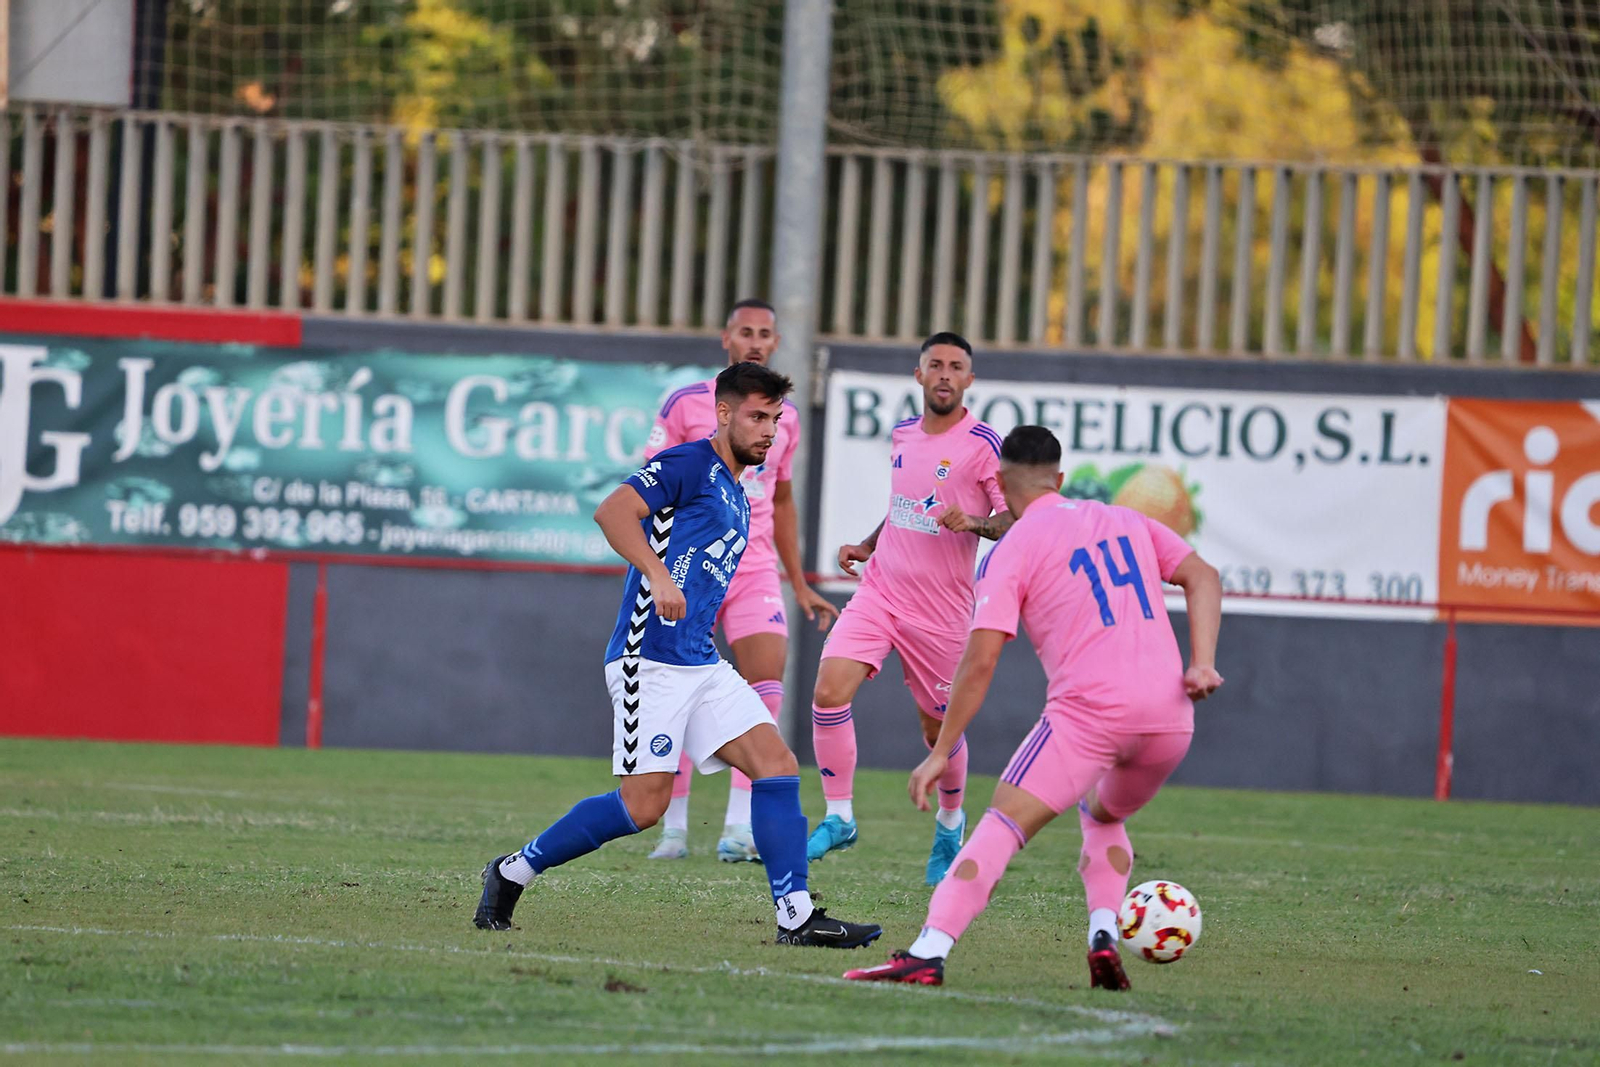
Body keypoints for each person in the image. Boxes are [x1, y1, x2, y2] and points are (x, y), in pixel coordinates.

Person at [474, 362, 881, 951]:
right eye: (757, 417)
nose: (769, 430)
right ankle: (513, 870)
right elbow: (612, 512)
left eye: (775, 419)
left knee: (777, 765)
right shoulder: (688, 463)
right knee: (644, 806)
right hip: (650, 658)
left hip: (700, 662)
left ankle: (796, 917)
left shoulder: (739, 493)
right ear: (723, 412)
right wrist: (658, 575)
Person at [843, 425, 1224, 988]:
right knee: (1103, 814)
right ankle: (1103, 934)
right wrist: (1202, 663)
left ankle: (928, 951)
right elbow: (1203, 575)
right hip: (1170, 720)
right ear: (1060, 478)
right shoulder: (1125, 519)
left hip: (1090, 717)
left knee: (1000, 825)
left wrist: (940, 751)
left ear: (998, 483)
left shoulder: (1013, 547)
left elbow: (979, 661)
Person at [807, 332, 1012, 885]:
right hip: (881, 592)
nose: (945, 374)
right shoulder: (902, 433)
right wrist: (867, 545)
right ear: (919, 375)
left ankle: (950, 824)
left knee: (937, 728)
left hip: (942, 612)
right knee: (829, 690)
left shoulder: (983, 443)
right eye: (935, 365)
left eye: (956, 366)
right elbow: (905, 505)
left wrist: (974, 522)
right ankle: (840, 815)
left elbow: (1011, 518)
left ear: (969, 380)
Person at [644, 299, 839, 863]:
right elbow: (649, 484)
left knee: (765, 683)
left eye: (765, 334)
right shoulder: (685, 403)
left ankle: (737, 827)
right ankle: (674, 830)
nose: (755, 341)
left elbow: (782, 500)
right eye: (745, 331)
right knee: (677, 687)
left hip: (752, 568)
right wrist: (658, 567)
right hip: (690, 565)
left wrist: (798, 581)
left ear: (776, 343)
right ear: (726, 338)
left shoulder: (786, 417)